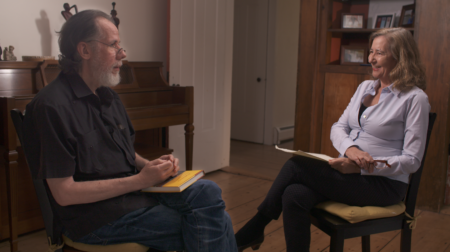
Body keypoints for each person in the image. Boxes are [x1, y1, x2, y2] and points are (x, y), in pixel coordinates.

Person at [23, 10, 237, 252]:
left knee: (209, 190)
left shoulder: (108, 96)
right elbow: (64, 193)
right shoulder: (51, 106)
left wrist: (150, 165)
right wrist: (139, 180)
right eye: (113, 45)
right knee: (217, 222)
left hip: (133, 197)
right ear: (84, 50)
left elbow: (125, 155)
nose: (123, 53)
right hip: (95, 218)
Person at [234, 27, 429, 251]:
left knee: (296, 165)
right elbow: (338, 127)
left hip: (383, 184)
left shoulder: (415, 99)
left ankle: (253, 230)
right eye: (371, 52)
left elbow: (412, 160)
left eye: (380, 53)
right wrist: (352, 151)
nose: (371, 59)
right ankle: (254, 231)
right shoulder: (365, 87)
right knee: (293, 194)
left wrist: (361, 168)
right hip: (346, 171)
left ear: (401, 57)